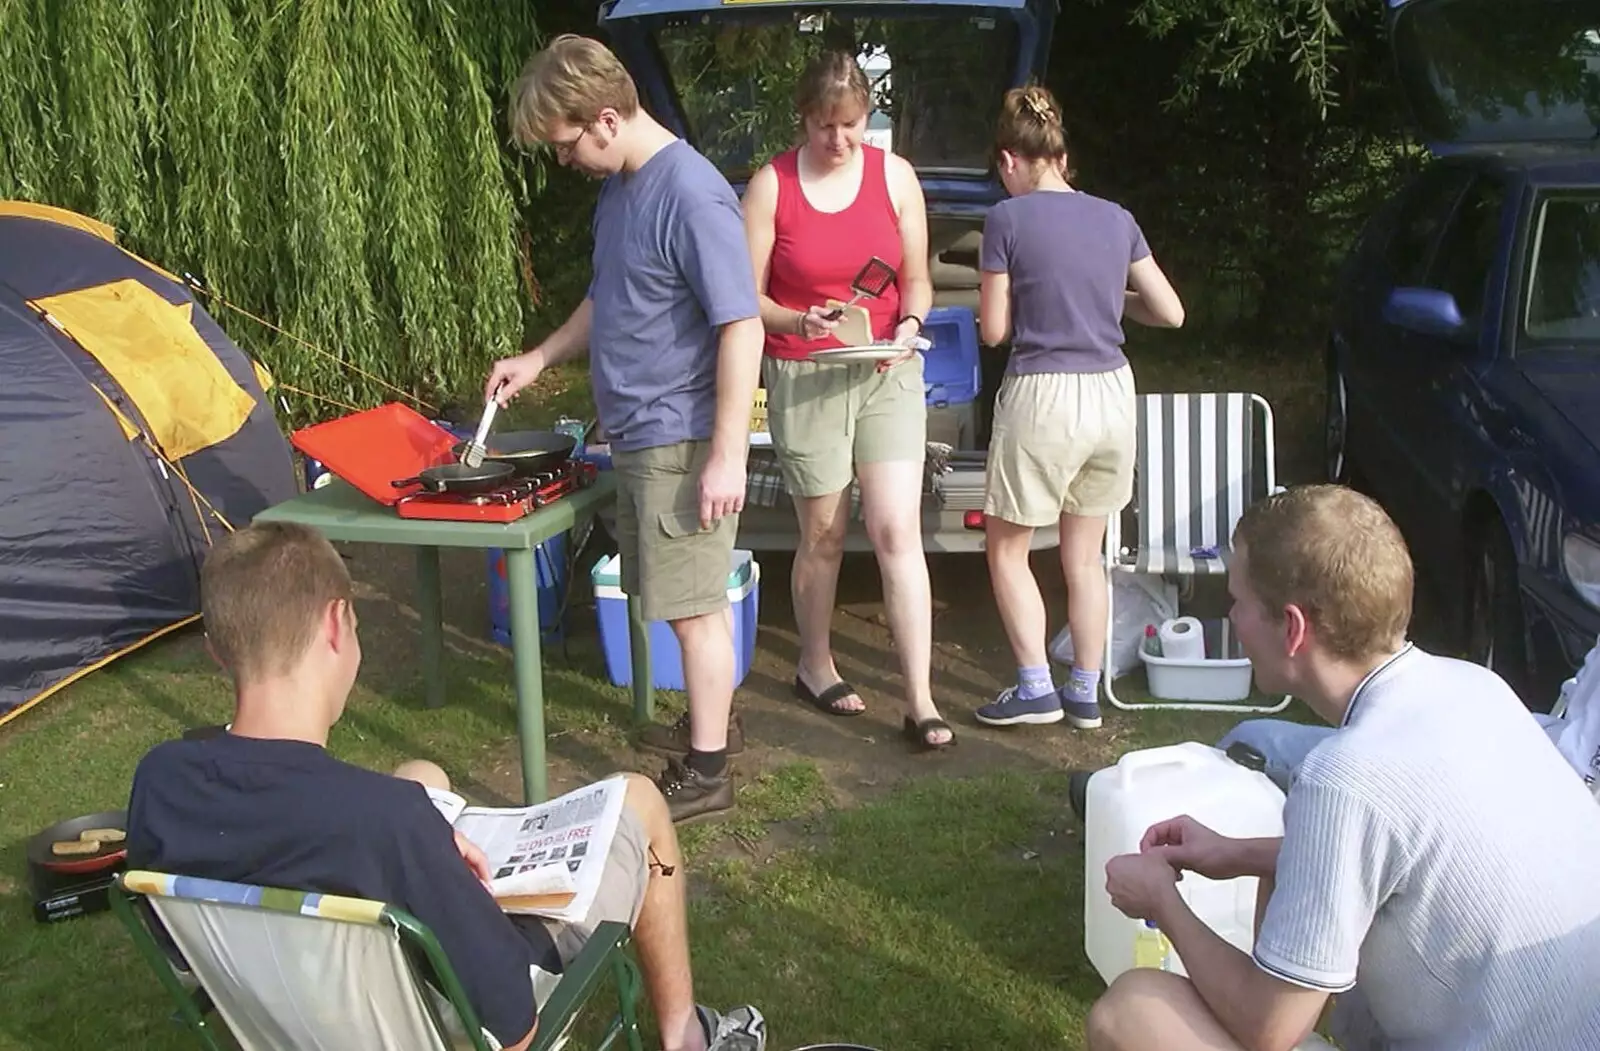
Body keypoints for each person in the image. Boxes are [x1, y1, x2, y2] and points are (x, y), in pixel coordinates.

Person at [125, 522, 768, 1051]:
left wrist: (427, 837)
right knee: (639, 798)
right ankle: (686, 1037)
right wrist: (437, 862)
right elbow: (514, 1027)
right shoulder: (388, 824)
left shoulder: (160, 781)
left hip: (290, 1014)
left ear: (218, 651)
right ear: (335, 624)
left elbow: (179, 949)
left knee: (423, 775)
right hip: (436, 1022)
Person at [1087, 485, 1600, 1051]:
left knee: (1133, 1010)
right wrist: (1236, 853)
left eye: (1238, 601)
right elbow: (1417, 860)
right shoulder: (1476, 688)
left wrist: (1165, 902)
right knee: (1281, 876)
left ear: (1292, 627)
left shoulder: (1346, 776)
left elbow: (1269, 1030)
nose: (1231, 616)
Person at [486, 35, 765, 819]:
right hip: (641, 436)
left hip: (682, 436)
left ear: (605, 120)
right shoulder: (622, 190)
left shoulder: (692, 192)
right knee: (671, 596)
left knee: (694, 606)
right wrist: (540, 358)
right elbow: (609, 297)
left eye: (567, 144)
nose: (566, 161)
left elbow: (742, 325)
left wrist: (725, 456)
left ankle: (708, 771)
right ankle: (713, 727)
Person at [741, 50, 952, 750]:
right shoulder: (772, 185)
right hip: (807, 371)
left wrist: (912, 329)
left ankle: (920, 698)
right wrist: (796, 321)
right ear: (804, 119)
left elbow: (917, 280)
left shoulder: (895, 177)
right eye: (827, 126)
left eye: (852, 125)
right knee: (824, 534)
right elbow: (748, 295)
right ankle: (814, 661)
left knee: (897, 530)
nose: (840, 140)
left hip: (887, 367)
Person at [971, 85, 1183, 733]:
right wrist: (1106, 300)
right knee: (1083, 556)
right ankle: (1086, 693)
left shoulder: (1008, 220)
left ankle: (1036, 686)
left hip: (1045, 395)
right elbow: (1170, 312)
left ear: (1011, 159)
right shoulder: (1116, 218)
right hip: (1113, 393)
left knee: (1008, 550)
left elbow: (994, 332)